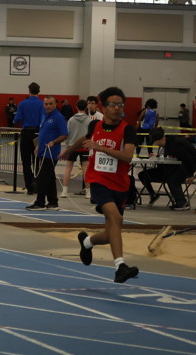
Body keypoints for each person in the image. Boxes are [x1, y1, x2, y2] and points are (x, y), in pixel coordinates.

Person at [60, 87, 139, 283]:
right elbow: (84, 138)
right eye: (113, 105)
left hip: (120, 184)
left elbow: (128, 156)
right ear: (104, 107)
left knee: (110, 233)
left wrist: (101, 147)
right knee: (116, 218)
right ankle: (120, 267)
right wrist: (69, 150)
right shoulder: (95, 125)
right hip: (97, 180)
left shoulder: (127, 129)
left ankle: (87, 242)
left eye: (120, 105)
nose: (117, 108)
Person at [138, 127, 196, 211]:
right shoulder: (167, 144)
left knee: (173, 179)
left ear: (159, 140)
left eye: (155, 142)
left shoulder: (175, 144)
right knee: (143, 175)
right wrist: (158, 156)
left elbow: (188, 159)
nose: (156, 144)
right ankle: (153, 195)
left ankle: (182, 203)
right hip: (175, 165)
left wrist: (191, 175)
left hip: (190, 164)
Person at [27, 96, 67, 211]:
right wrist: (38, 146)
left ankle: (40, 202)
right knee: (49, 178)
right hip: (42, 151)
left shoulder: (59, 117)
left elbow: (64, 134)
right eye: (46, 104)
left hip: (51, 153)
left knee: (43, 178)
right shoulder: (44, 116)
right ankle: (53, 202)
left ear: (55, 105)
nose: (48, 106)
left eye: (50, 104)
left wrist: (54, 142)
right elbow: (43, 134)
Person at [14, 82, 46, 194]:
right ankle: (37, 184)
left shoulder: (22, 104)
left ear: (29, 91)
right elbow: (43, 119)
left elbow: (16, 120)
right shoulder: (42, 104)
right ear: (39, 91)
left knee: (26, 162)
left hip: (26, 132)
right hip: (37, 133)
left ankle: (29, 187)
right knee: (37, 160)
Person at [60, 99, 90, 198]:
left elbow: (67, 133)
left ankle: (64, 191)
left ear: (76, 107)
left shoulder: (71, 119)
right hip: (85, 146)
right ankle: (88, 192)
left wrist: (68, 145)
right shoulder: (89, 120)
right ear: (86, 107)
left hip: (72, 146)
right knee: (86, 168)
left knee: (68, 168)